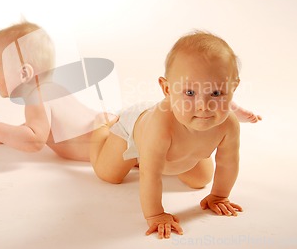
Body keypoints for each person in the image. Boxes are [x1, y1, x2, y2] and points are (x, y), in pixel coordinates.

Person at [90, 30, 261, 239]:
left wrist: (218, 196)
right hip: (133, 129)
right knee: (108, 174)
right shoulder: (161, 127)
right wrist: (155, 214)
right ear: (167, 89)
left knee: (201, 179)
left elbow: (228, 163)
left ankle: (151, 156)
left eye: (216, 93)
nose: (203, 106)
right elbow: (149, 174)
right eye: (190, 93)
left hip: (177, 151)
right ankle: (101, 127)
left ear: (233, 88)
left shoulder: (228, 124)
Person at [0, 21, 108, 161]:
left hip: (107, 142)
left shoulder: (36, 97)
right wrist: (7, 135)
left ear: (24, 73)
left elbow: (34, 140)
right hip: (110, 127)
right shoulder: (52, 89)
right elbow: (39, 125)